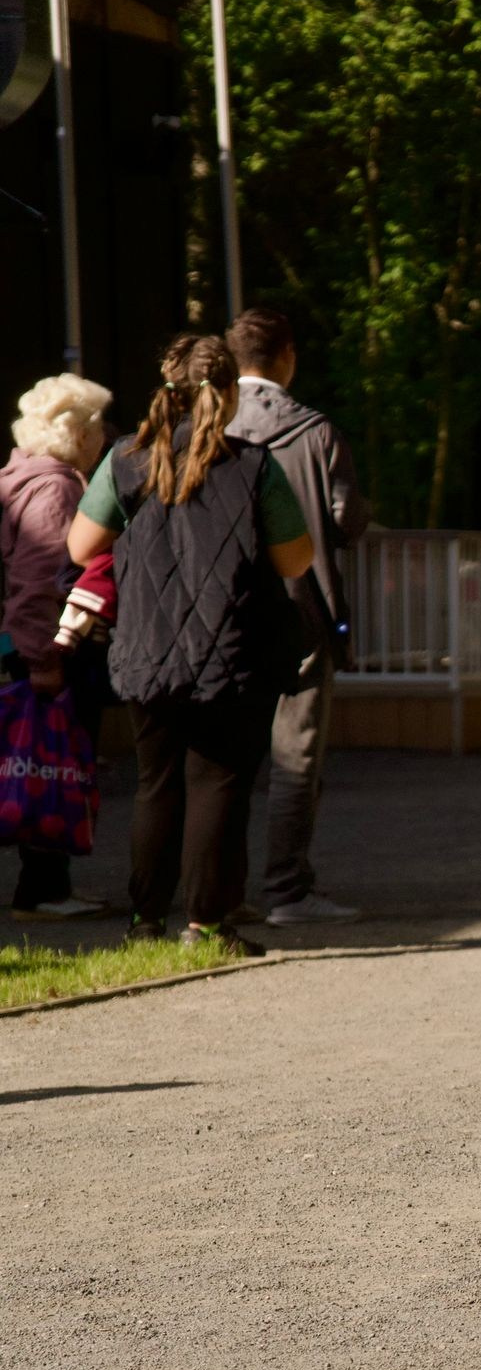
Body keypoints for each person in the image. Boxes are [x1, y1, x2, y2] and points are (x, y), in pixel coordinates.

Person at [66, 334, 315, 954]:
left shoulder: (126, 459)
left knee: (157, 783)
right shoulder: (254, 467)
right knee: (217, 783)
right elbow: (295, 560)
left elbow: (79, 547)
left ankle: (145, 922)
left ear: (165, 391)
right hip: (233, 651)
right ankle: (207, 924)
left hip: (147, 647)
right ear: (228, 394)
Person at [225, 307, 370, 926]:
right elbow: (346, 519)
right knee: (296, 756)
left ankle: (215, 894)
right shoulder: (315, 431)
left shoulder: (208, 426)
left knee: (219, 756)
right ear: (286, 354)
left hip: (219, 613)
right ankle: (287, 888)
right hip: (300, 611)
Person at [2, 374, 112, 919]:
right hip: (40, 650)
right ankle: (44, 889)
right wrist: (44, 660)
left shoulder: (18, 476)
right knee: (48, 762)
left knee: (33, 761)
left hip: (18, 647)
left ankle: (48, 884)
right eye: (97, 428)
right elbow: (40, 580)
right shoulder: (58, 488)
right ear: (79, 435)